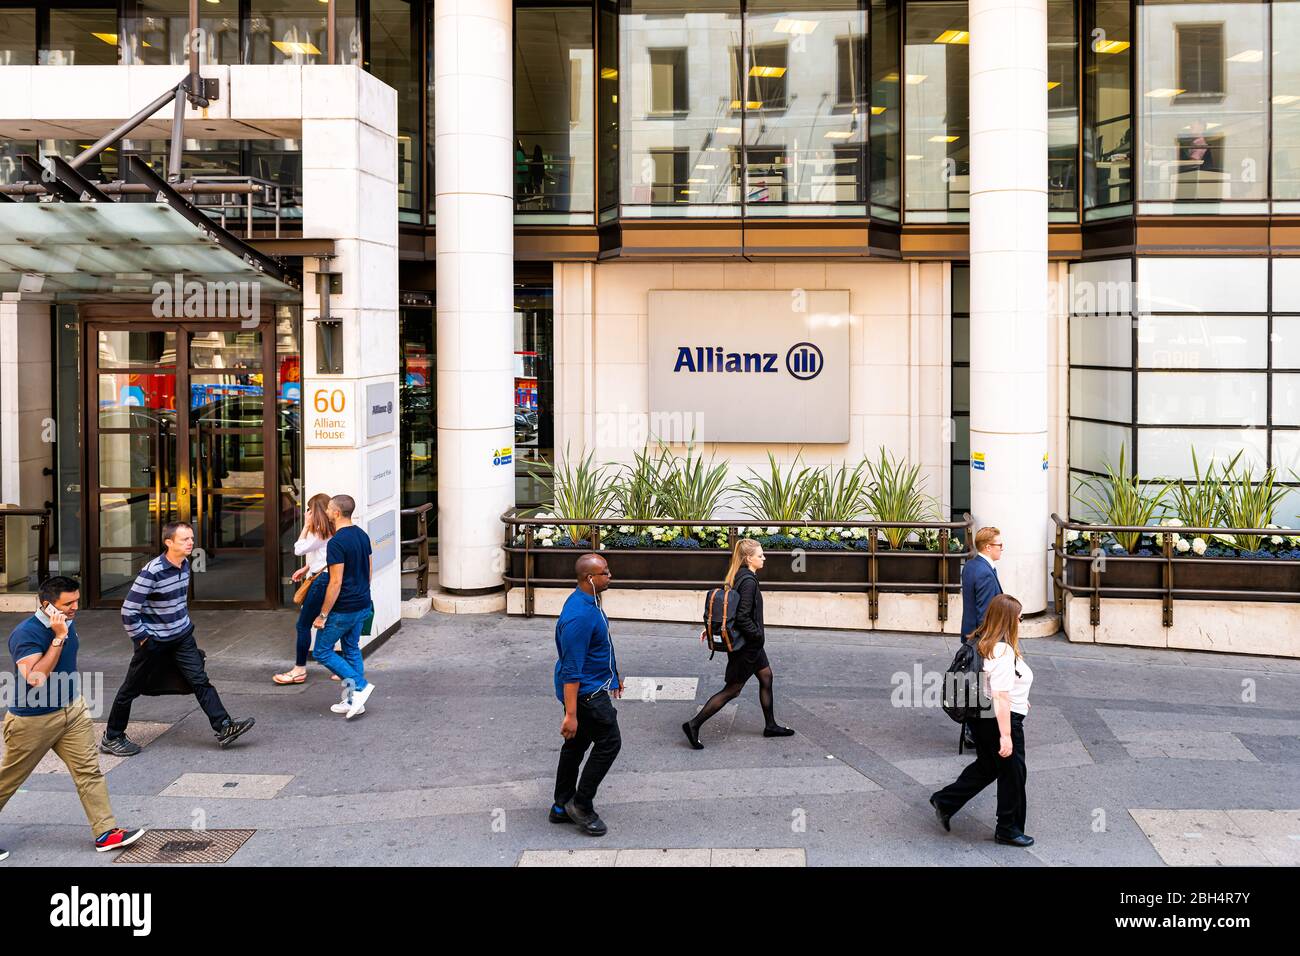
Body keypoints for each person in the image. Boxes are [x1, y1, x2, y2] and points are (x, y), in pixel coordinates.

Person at [1, 577, 145, 858]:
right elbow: (36, 678)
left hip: (72, 711)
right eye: (67, 603)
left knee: (88, 771)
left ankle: (106, 833)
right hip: (33, 719)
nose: (75, 608)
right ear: (46, 605)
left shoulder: (67, 621)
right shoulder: (26, 634)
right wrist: (57, 637)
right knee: (9, 779)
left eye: (76, 600)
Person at [101, 523, 255, 754]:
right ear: (169, 542)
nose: (190, 543)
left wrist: (183, 625)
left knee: (200, 680)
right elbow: (129, 609)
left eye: (191, 538)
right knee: (130, 689)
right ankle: (112, 736)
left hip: (181, 636)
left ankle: (224, 726)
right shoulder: (152, 571)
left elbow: (177, 601)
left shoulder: (184, 564)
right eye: (184, 539)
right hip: (153, 641)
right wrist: (143, 638)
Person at [929, 593, 1035, 848]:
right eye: (1019, 618)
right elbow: (999, 695)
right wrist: (1007, 736)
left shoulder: (981, 641)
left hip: (981, 716)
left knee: (988, 766)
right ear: (1009, 620)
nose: (1021, 623)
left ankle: (946, 801)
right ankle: (1008, 828)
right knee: (1013, 774)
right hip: (999, 719)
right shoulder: (1002, 650)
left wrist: (1021, 698)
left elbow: (994, 685)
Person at [681, 538, 793, 750]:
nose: (764, 558)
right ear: (748, 558)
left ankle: (770, 726)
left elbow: (730, 609)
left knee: (766, 677)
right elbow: (742, 616)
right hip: (748, 646)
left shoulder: (739, 575)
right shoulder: (749, 581)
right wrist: (757, 636)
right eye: (760, 555)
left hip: (750, 645)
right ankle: (693, 725)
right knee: (732, 690)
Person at [549, 553, 623, 837]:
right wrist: (570, 715)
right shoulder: (579, 616)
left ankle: (560, 806)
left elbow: (599, 646)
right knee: (609, 743)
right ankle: (581, 805)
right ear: (590, 578)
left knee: (576, 747)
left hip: (592, 686)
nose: (610, 575)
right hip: (587, 695)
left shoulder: (588, 601)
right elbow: (571, 670)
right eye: (605, 572)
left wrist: (613, 677)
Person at [312, 494, 375, 719]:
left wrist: (323, 614)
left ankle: (360, 686)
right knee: (351, 648)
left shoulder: (337, 543)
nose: (327, 511)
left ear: (336, 513)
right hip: (362, 603)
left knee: (321, 651)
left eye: (329, 508)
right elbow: (368, 571)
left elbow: (335, 582)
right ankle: (353, 700)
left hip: (344, 608)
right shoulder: (362, 535)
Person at [274, 492, 334, 685]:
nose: (307, 512)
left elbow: (299, 549)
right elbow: (326, 555)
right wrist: (307, 567)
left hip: (321, 582)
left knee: (303, 625)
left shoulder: (319, 532)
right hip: (330, 578)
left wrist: (306, 526)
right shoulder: (335, 529)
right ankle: (342, 667)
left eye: (309, 509)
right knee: (331, 621)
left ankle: (299, 669)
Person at [959, 526, 1004, 748]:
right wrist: (988, 645)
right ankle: (975, 734)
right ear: (988, 547)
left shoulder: (972, 566)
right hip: (982, 640)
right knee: (983, 686)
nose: (1002, 549)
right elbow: (984, 613)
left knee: (975, 684)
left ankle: (974, 731)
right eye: (999, 545)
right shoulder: (985, 572)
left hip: (970, 637)